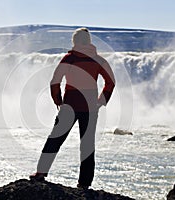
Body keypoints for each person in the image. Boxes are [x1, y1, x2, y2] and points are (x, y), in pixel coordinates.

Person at [30, 28, 115, 189]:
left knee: (55, 139)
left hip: (70, 104)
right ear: (89, 41)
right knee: (87, 146)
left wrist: (58, 101)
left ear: (75, 41)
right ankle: (84, 184)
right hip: (91, 107)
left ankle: (41, 173)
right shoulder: (98, 59)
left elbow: (55, 81)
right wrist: (101, 101)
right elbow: (111, 82)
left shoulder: (69, 58)